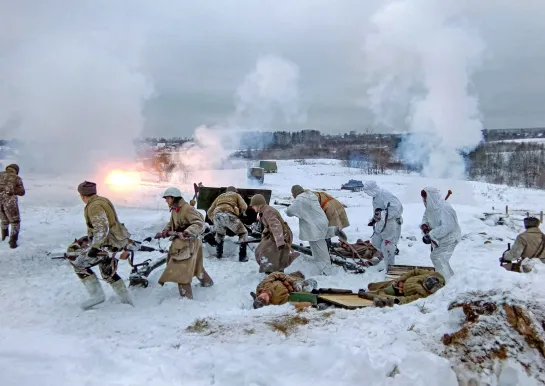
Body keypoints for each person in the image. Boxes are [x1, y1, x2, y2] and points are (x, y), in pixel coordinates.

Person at [72, 181, 134, 309]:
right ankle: (127, 301)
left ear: (82, 195)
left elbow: (101, 229)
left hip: (108, 243)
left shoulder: (94, 206)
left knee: (79, 265)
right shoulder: (102, 200)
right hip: (113, 240)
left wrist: (94, 248)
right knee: (107, 274)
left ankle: (97, 296)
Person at [156, 187, 214, 299]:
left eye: (167, 198)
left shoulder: (187, 208)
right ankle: (207, 282)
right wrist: (165, 231)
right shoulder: (174, 209)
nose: (166, 200)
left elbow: (199, 223)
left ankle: (186, 298)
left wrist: (187, 232)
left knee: (180, 268)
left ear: (174, 198)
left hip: (189, 242)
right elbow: (172, 223)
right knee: (196, 266)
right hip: (181, 243)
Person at [286, 185, 347, 275]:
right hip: (321, 221)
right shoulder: (311, 195)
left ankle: (326, 270)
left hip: (313, 226)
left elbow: (290, 212)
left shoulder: (300, 199)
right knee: (317, 243)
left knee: (319, 248)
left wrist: (289, 209)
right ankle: (332, 231)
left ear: (294, 193)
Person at [250, 194, 299, 273]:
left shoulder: (268, 211)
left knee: (269, 253)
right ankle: (271, 270)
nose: (252, 207)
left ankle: (273, 271)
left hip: (282, 235)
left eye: (253, 206)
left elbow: (276, 226)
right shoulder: (264, 211)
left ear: (258, 205)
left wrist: (280, 242)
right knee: (261, 251)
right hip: (275, 234)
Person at [420, 187, 461, 280]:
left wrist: (431, 235)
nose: (424, 200)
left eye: (425, 197)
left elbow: (447, 227)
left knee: (437, 257)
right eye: (423, 198)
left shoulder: (445, 208)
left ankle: (444, 281)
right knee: (441, 259)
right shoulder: (430, 207)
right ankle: (450, 279)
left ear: (431, 197)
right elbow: (426, 217)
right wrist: (424, 226)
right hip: (441, 237)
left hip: (450, 237)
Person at [362, 181, 403, 267]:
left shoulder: (385, 194)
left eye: (368, 191)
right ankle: (388, 253)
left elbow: (396, 208)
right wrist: (374, 219)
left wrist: (382, 214)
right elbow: (378, 210)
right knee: (376, 241)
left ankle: (390, 267)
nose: (367, 194)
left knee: (387, 245)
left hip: (391, 222)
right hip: (382, 223)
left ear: (372, 189)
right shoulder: (376, 196)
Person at [358, 269, 445, 307]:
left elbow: (407, 299)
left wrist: (396, 299)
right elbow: (415, 271)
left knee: (383, 292)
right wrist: (401, 279)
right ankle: (371, 288)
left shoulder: (423, 294)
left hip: (399, 292)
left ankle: (368, 294)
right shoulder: (430, 274)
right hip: (401, 282)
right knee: (372, 286)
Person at [207, 186, 249, 261]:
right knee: (243, 233)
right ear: (235, 191)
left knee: (220, 235)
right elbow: (244, 206)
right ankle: (242, 256)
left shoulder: (220, 196)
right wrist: (242, 212)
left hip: (217, 215)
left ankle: (219, 254)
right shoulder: (236, 195)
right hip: (229, 214)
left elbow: (209, 211)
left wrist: (213, 219)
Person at [251, 271, 318, 309]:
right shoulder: (278, 299)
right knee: (313, 283)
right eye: (264, 299)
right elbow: (293, 297)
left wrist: (288, 279)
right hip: (297, 286)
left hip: (288, 277)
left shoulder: (260, 287)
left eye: (261, 297)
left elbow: (274, 275)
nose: (264, 296)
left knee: (301, 273)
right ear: (268, 302)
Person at [0, 164, 25, 248]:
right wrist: (12, 190)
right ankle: (12, 242)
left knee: (4, 221)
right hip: (10, 202)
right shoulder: (16, 178)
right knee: (15, 222)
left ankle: (4, 239)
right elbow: (22, 192)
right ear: (16, 171)